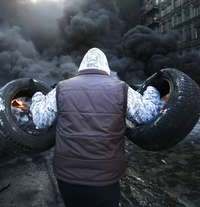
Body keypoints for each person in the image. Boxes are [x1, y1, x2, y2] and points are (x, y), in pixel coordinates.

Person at [30, 48, 161, 207]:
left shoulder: (61, 88)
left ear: (82, 66)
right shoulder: (121, 88)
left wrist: (37, 96)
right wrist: (153, 89)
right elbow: (147, 115)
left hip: (67, 177)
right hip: (105, 178)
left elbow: (40, 120)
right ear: (105, 66)